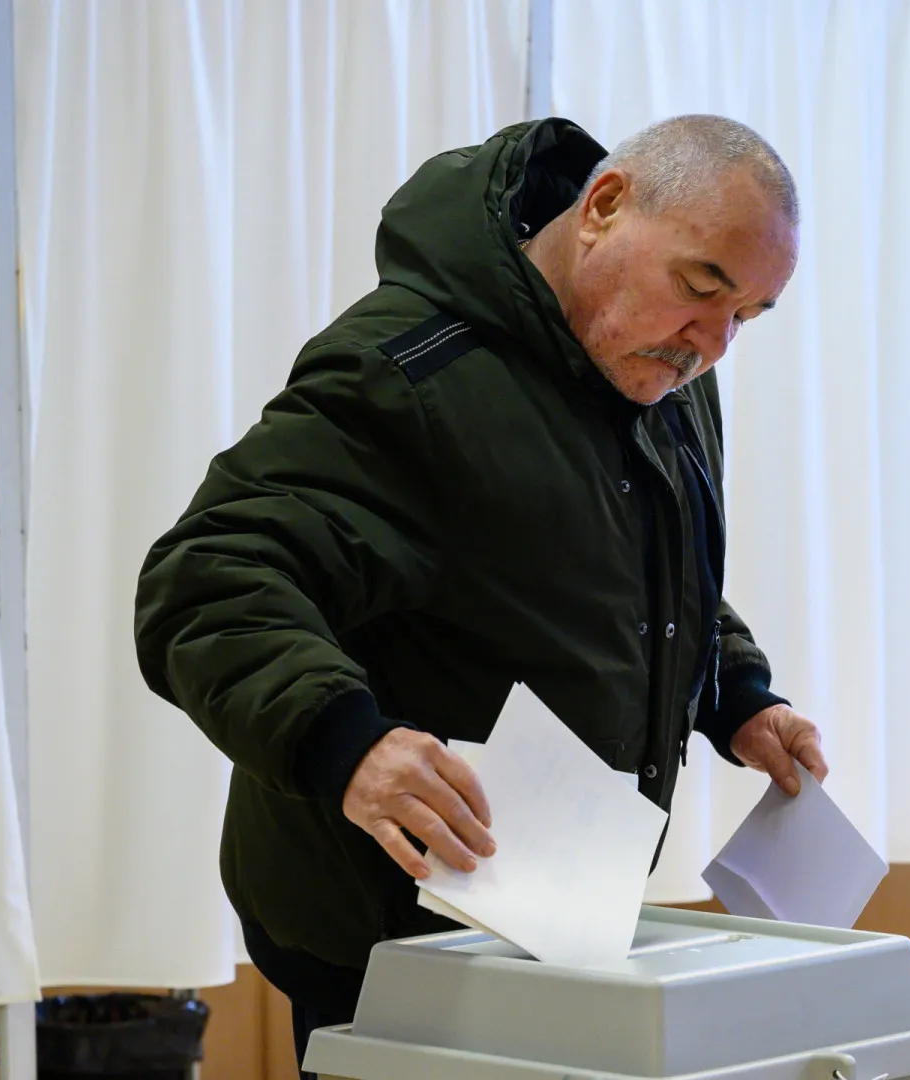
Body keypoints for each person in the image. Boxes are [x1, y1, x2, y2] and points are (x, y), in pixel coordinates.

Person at [133, 114, 827, 1074]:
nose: (712, 342)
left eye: (746, 315)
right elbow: (207, 577)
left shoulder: (662, 373)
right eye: (702, 285)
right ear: (605, 207)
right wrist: (349, 744)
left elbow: (641, 571)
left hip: (549, 915)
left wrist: (737, 695)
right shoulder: (409, 373)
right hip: (385, 929)